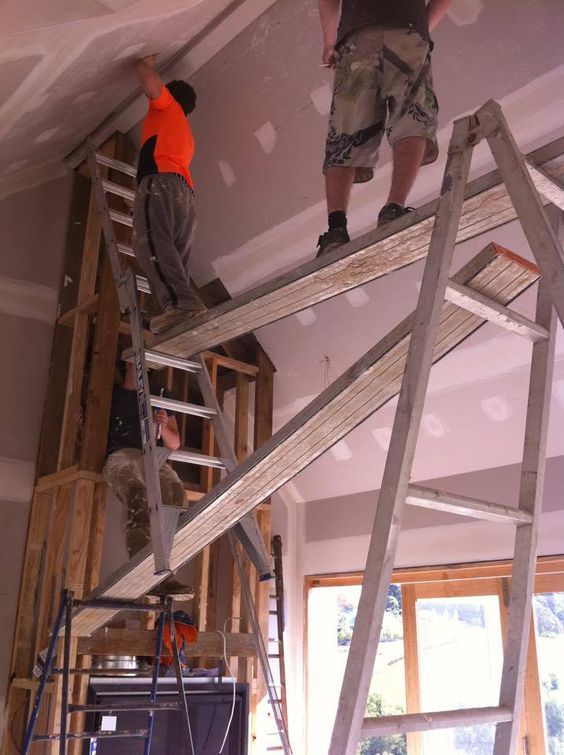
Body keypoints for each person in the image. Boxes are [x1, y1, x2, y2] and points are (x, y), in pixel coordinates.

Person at [316, 0, 452, 256]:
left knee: (345, 131)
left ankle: (336, 229)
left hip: (358, 37)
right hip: (407, 29)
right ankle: (394, 207)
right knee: (411, 116)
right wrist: (422, 28)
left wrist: (328, 43)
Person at [103, 360, 192, 598]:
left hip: (153, 457)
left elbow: (174, 443)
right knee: (138, 495)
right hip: (121, 456)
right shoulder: (110, 394)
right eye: (132, 362)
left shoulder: (161, 395)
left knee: (175, 495)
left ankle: (165, 574)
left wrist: (164, 425)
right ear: (124, 363)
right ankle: (144, 572)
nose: (138, 366)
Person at [133, 54, 205, 335]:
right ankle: (179, 310)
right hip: (183, 196)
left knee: (148, 243)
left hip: (162, 184)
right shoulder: (184, 132)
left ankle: (181, 305)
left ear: (172, 97)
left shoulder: (167, 109)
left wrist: (144, 64)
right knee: (171, 256)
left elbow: (150, 83)